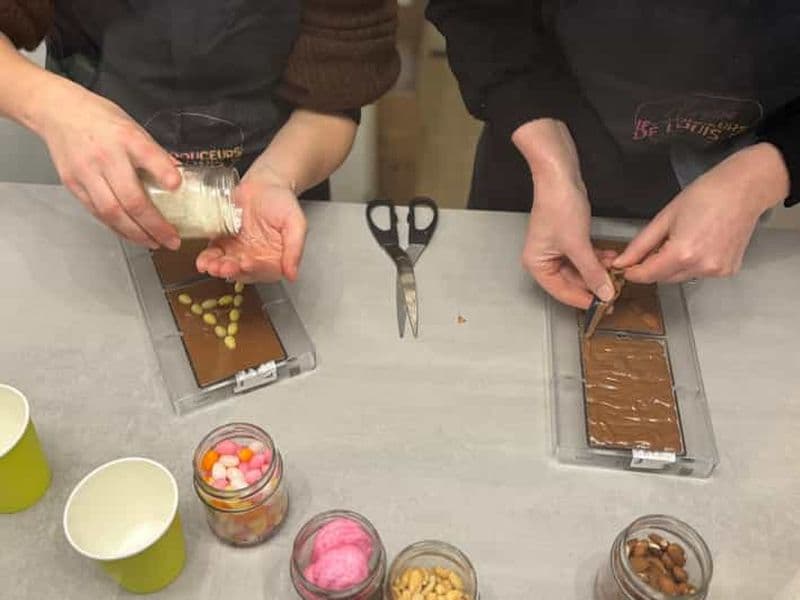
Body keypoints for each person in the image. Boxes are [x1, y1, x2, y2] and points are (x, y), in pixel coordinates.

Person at [427, 1, 798, 308]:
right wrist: (551, 164)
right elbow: (477, 12)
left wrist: (763, 175)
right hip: (549, 130)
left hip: (742, 161)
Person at [0, 0, 399, 282]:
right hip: (99, 206)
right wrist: (52, 106)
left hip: (271, 198)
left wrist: (277, 177)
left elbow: (336, 91)